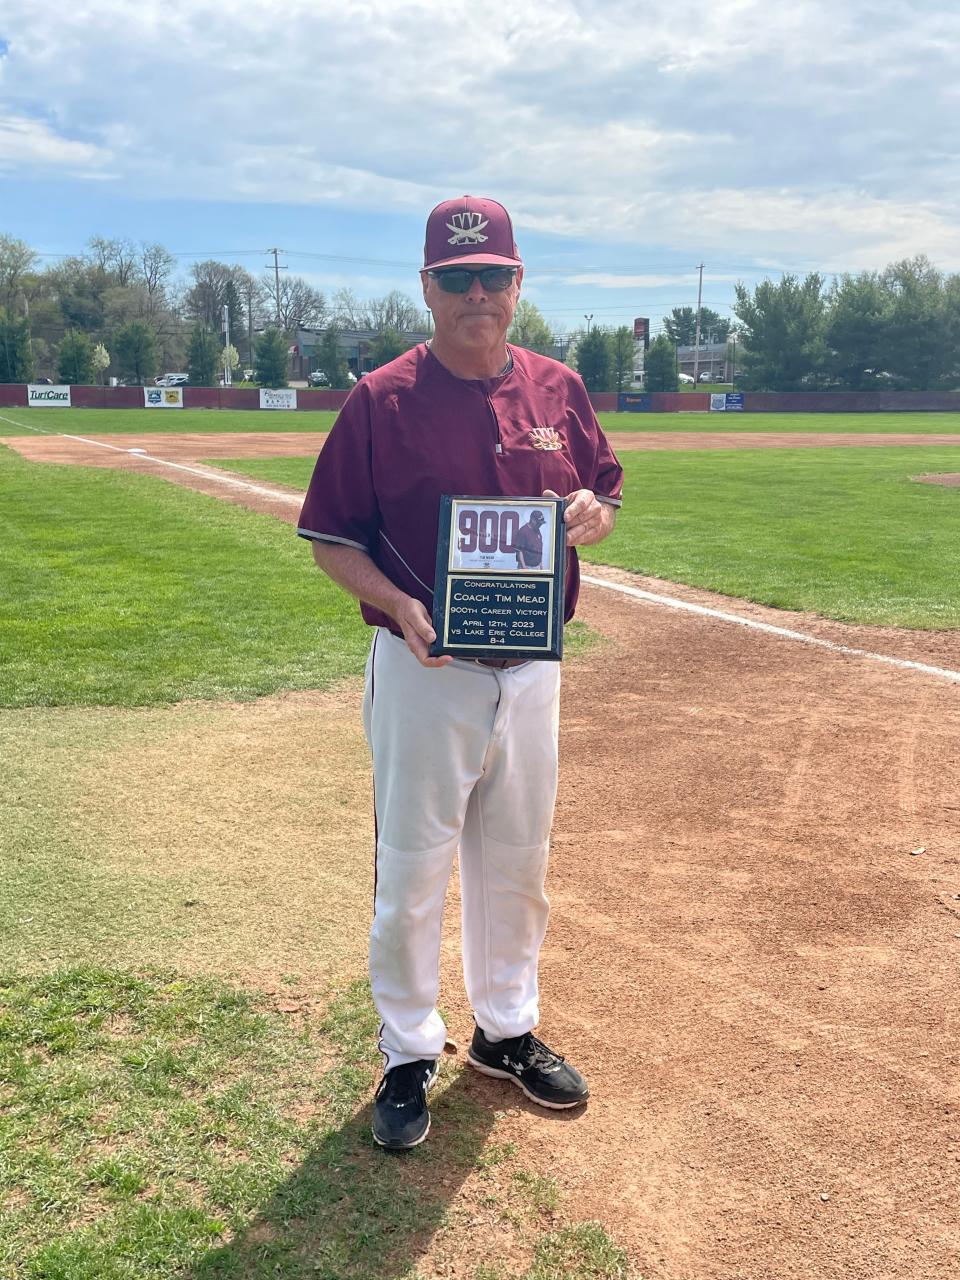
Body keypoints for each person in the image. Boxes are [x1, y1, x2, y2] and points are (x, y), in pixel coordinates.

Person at [297, 195, 623, 1150]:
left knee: (517, 864)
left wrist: (596, 516)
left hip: (532, 669)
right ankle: (407, 1048)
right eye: (457, 276)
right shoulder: (381, 397)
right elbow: (330, 538)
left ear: (517, 284)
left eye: (495, 276)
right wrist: (396, 606)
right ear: (429, 286)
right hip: (423, 666)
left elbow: (599, 491)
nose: (477, 293)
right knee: (412, 867)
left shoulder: (559, 388)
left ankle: (504, 1031)